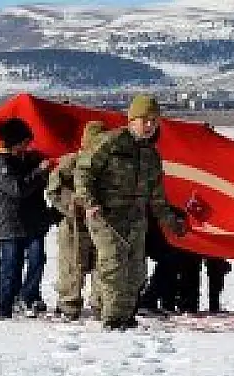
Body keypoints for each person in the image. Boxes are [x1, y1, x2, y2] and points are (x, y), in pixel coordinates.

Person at [74, 94, 187, 330]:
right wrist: (89, 202)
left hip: (136, 220)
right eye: (145, 120)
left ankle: (125, 316)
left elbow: (157, 197)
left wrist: (171, 222)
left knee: (136, 272)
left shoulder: (151, 155)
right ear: (132, 119)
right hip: (105, 216)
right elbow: (84, 172)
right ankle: (112, 320)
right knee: (114, 265)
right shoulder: (110, 142)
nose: (149, 126)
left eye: (154, 121)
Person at [0, 117, 53, 319]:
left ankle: (28, 297)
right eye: (23, 142)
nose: (27, 146)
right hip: (10, 223)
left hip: (33, 221)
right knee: (11, 266)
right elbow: (17, 189)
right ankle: (5, 306)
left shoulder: (29, 158)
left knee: (37, 260)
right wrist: (39, 172)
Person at [47, 121, 105, 321]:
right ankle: (68, 306)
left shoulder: (108, 165)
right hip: (74, 225)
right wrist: (72, 204)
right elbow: (54, 189)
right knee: (72, 266)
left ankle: (100, 305)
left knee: (102, 265)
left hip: (100, 224)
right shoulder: (70, 162)